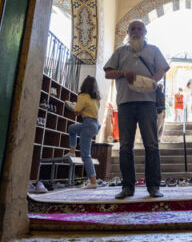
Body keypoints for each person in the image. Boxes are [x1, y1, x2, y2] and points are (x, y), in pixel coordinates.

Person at [104, 19, 170, 199]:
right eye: (132, 28)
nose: (136, 31)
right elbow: (108, 73)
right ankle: (128, 187)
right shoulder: (120, 52)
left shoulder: (153, 50)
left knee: (152, 145)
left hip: (147, 103)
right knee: (125, 146)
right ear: (128, 32)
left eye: (139, 28)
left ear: (145, 32)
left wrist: (152, 81)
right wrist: (123, 73)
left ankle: (154, 187)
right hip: (125, 104)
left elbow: (162, 69)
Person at [64, 75, 102, 189]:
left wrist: (73, 106)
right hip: (95, 125)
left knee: (85, 155)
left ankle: (93, 182)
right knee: (72, 128)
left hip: (88, 124)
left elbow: (76, 111)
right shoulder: (96, 99)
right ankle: (72, 151)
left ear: (84, 84)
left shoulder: (83, 96)